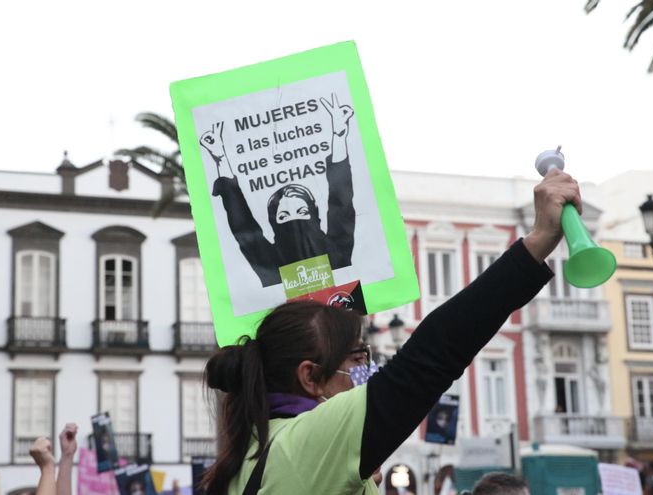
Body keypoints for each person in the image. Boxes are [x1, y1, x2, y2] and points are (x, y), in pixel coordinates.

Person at [200, 168, 579, 494]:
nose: (365, 373)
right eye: (356, 357)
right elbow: (432, 354)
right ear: (310, 377)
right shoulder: (305, 444)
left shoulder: (249, 453)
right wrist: (537, 242)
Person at [200, 94, 356, 287]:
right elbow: (243, 225)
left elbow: (341, 201)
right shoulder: (267, 260)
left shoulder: (336, 249)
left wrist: (339, 135)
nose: (294, 221)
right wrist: (221, 158)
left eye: (302, 212)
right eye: (283, 216)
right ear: (273, 223)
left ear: (315, 214)